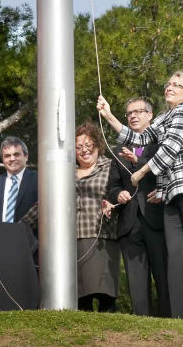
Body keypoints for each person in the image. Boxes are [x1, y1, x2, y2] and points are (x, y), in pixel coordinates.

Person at [97, 71, 183, 321]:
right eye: (168, 84)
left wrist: (140, 173)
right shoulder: (162, 117)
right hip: (172, 198)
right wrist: (109, 115)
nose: (169, 87)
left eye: (176, 84)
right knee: (175, 260)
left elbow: (169, 150)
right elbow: (138, 137)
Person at [108, 98, 170, 317]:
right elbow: (112, 186)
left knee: (163, 276)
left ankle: (170, 321)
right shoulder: (117, 150)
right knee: (136, 280)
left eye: (138, 111)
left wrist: (138, 160)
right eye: (129, 113)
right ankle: (141, 323)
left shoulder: (162, 143)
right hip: (130, 223)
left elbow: (164, 173)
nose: (133, 116)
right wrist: (118, 194)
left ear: (150, 115)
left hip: (158, 219)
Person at [71, 122, 120, 312]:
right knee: (81, 296)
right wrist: (22, 224)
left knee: (105, 293)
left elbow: (121, 193)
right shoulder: (66, 172)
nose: (84, 150)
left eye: (88, 145)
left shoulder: (110, 166)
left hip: (103, 236)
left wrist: (112, 203)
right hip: (74, 237)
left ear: (98, 146)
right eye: (79, 147)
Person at [0, 137, 38, 223]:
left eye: (16, 155)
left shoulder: (39, 181)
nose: (12, 159)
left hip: (28, 235)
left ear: (26, 156)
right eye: (7, 156)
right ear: (3, 160)